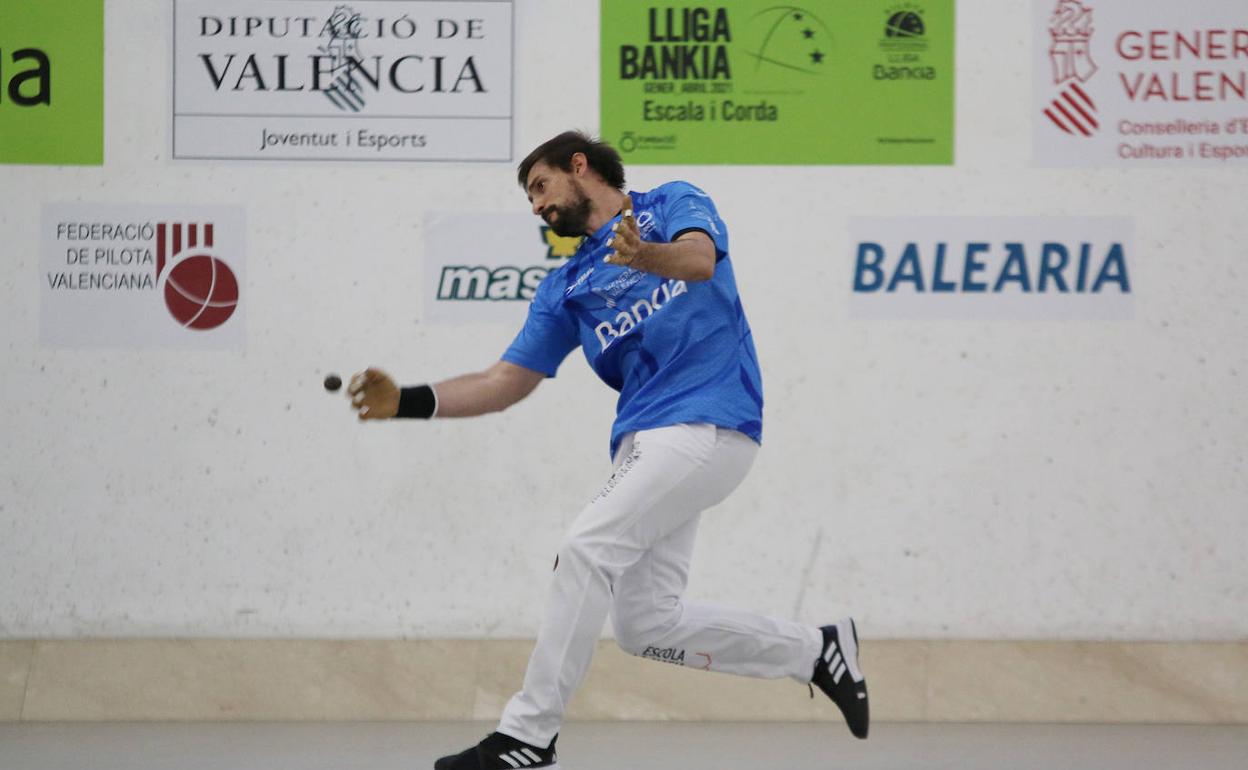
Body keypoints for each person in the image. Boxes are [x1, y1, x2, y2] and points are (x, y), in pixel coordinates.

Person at [349, 131, 868, 770]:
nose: (536, 206)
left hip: (706, 422)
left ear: (578, 165)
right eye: (529, 199)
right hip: (645, 445)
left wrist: (646, 255)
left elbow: (700, 260)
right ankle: (814, 652)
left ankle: (528, 736)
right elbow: (504, 382)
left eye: (540, 186)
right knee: (646, 626)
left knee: (586, 548)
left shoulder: (671, 202)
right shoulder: (565, 286)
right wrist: (407, 400)